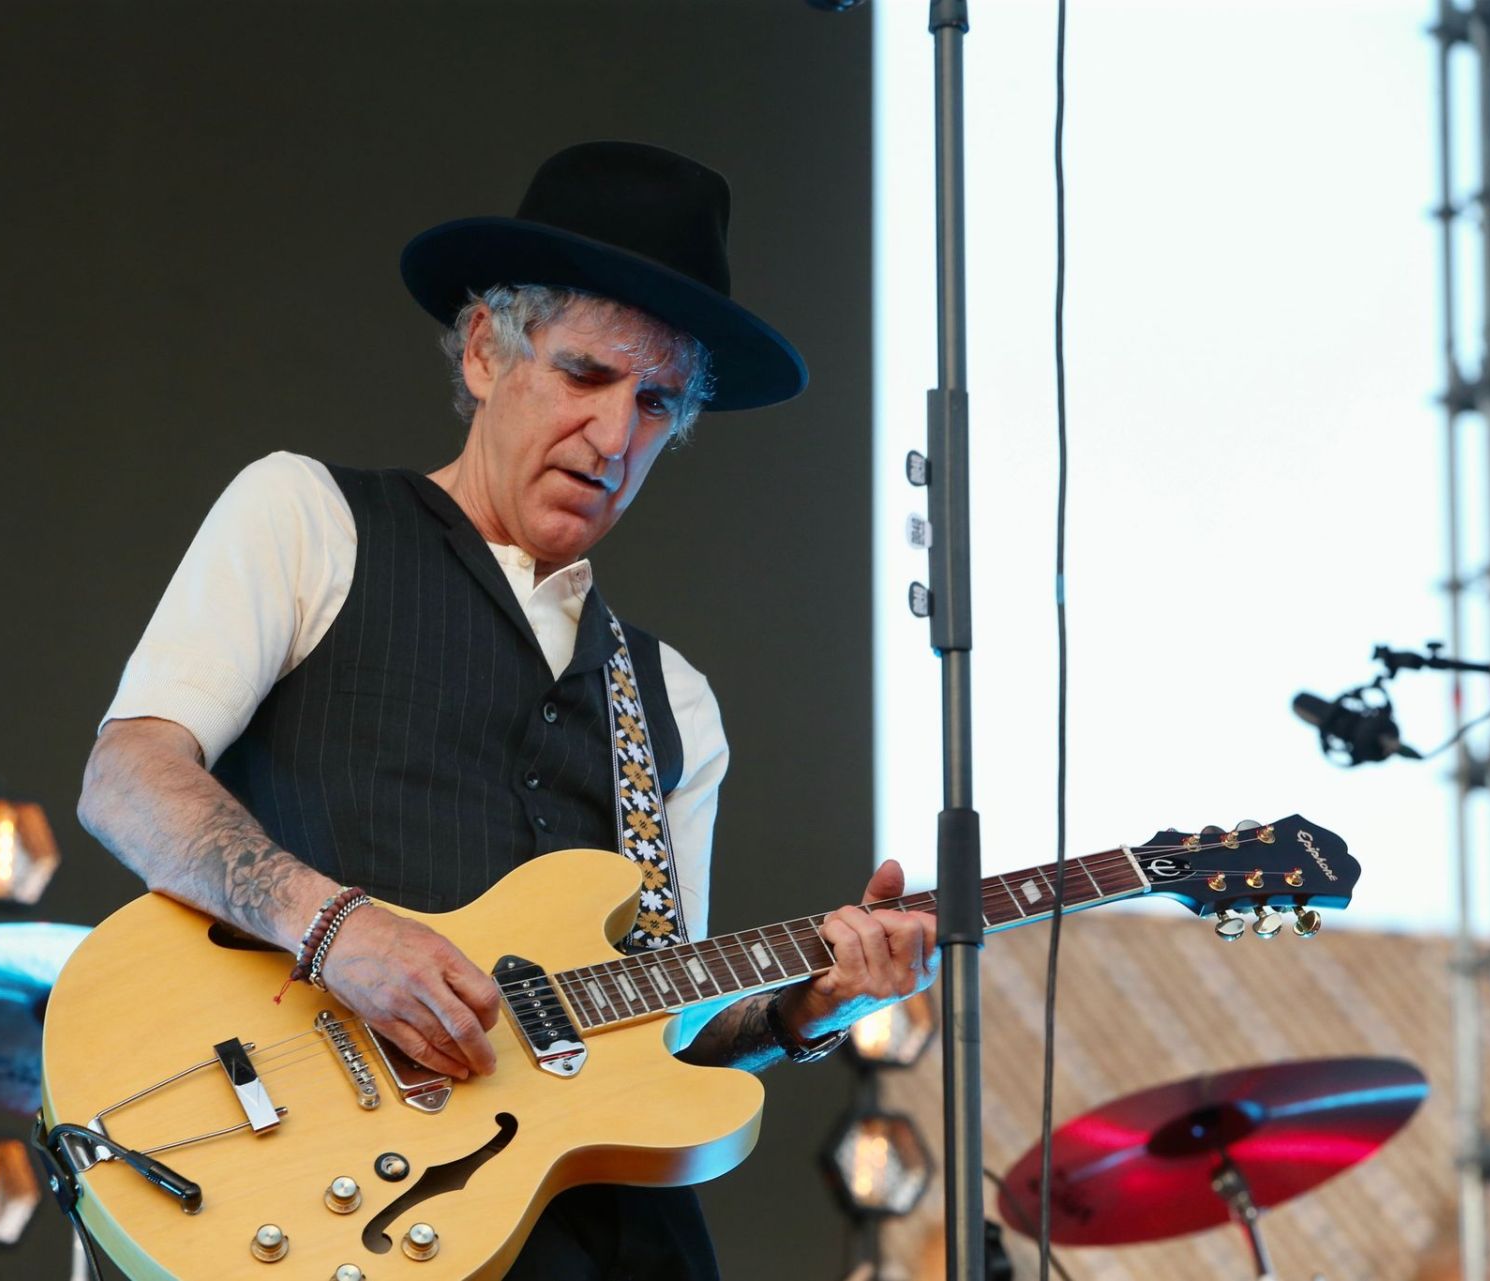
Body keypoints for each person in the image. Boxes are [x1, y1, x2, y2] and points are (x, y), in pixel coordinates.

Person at [77, 140, 937, 1280]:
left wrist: (804, 1009)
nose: (616, 436)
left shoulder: (672, 699)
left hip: (603, 1241)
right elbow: (128, 778)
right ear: (486, 349)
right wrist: (333, 929)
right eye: (586, 375)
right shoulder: (308, 517)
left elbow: (661, 1025)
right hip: (328, 1207)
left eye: (657, 402)